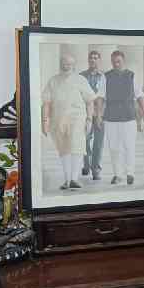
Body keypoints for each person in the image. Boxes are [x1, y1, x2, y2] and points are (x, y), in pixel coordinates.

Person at [40, 54, 98, 190]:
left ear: (74, 65)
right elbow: (46, 103)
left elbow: (90, 101)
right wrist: (45, 120)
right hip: (58, 119)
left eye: (70, 64)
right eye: (65, 63)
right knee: (64, 149)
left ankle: (74, 179)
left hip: (77, 118)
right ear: (61, 64)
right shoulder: (53, 81)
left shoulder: (80, 80)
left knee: (77, 147)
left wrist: (89, 119)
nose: (67, 66)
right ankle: (67, 180)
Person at [102, 50, 144, 185]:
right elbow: (100, 97)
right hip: (111, 117)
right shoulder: (106, 77)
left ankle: (130, 173)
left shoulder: (131, 76)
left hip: (129, 117)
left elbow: (140, 96)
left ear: (123, 61)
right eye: (114, 62)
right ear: (111, 62)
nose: (116, 64)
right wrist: (98, 115)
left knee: (129, 146)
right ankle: (117, 174)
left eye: (118, 61)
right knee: (114, 147)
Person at [80, 50, 107, 181]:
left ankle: (96, 169)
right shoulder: (81, 76)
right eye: (91, 58)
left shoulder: (104, 77)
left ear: (99, 60)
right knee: (84, 140)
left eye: (96, 58)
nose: (93, 60)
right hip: (85, 114)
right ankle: (86, 163)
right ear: (88, 60)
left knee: (98, 142)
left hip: (100, 113)